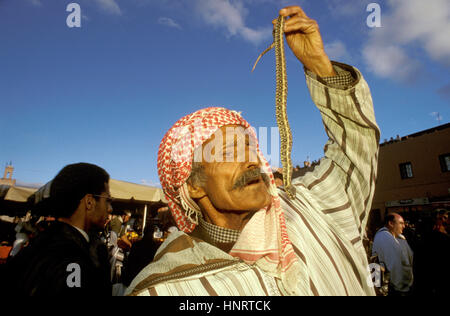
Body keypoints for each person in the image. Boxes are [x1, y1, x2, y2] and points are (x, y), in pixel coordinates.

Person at [125, 5, 379, 296]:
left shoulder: (312, 208)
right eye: (230, 151)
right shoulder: (169, 288)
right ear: (193, 185)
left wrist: (321, 68)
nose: (251, 159)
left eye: (250, 146)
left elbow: (355, 150)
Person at [1, 163, 113, 296]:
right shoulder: (73, 258)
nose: (110, 208)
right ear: (89, 202)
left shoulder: (38, 244)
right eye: (107, 200)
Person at [372, 213, 414, 296]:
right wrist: (402, 288)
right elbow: (397, 264)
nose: (404, 226)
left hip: (397, 287)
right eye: (401, 223)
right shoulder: (384, 237)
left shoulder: (397, 237)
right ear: (391, 223)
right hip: (395, 289)